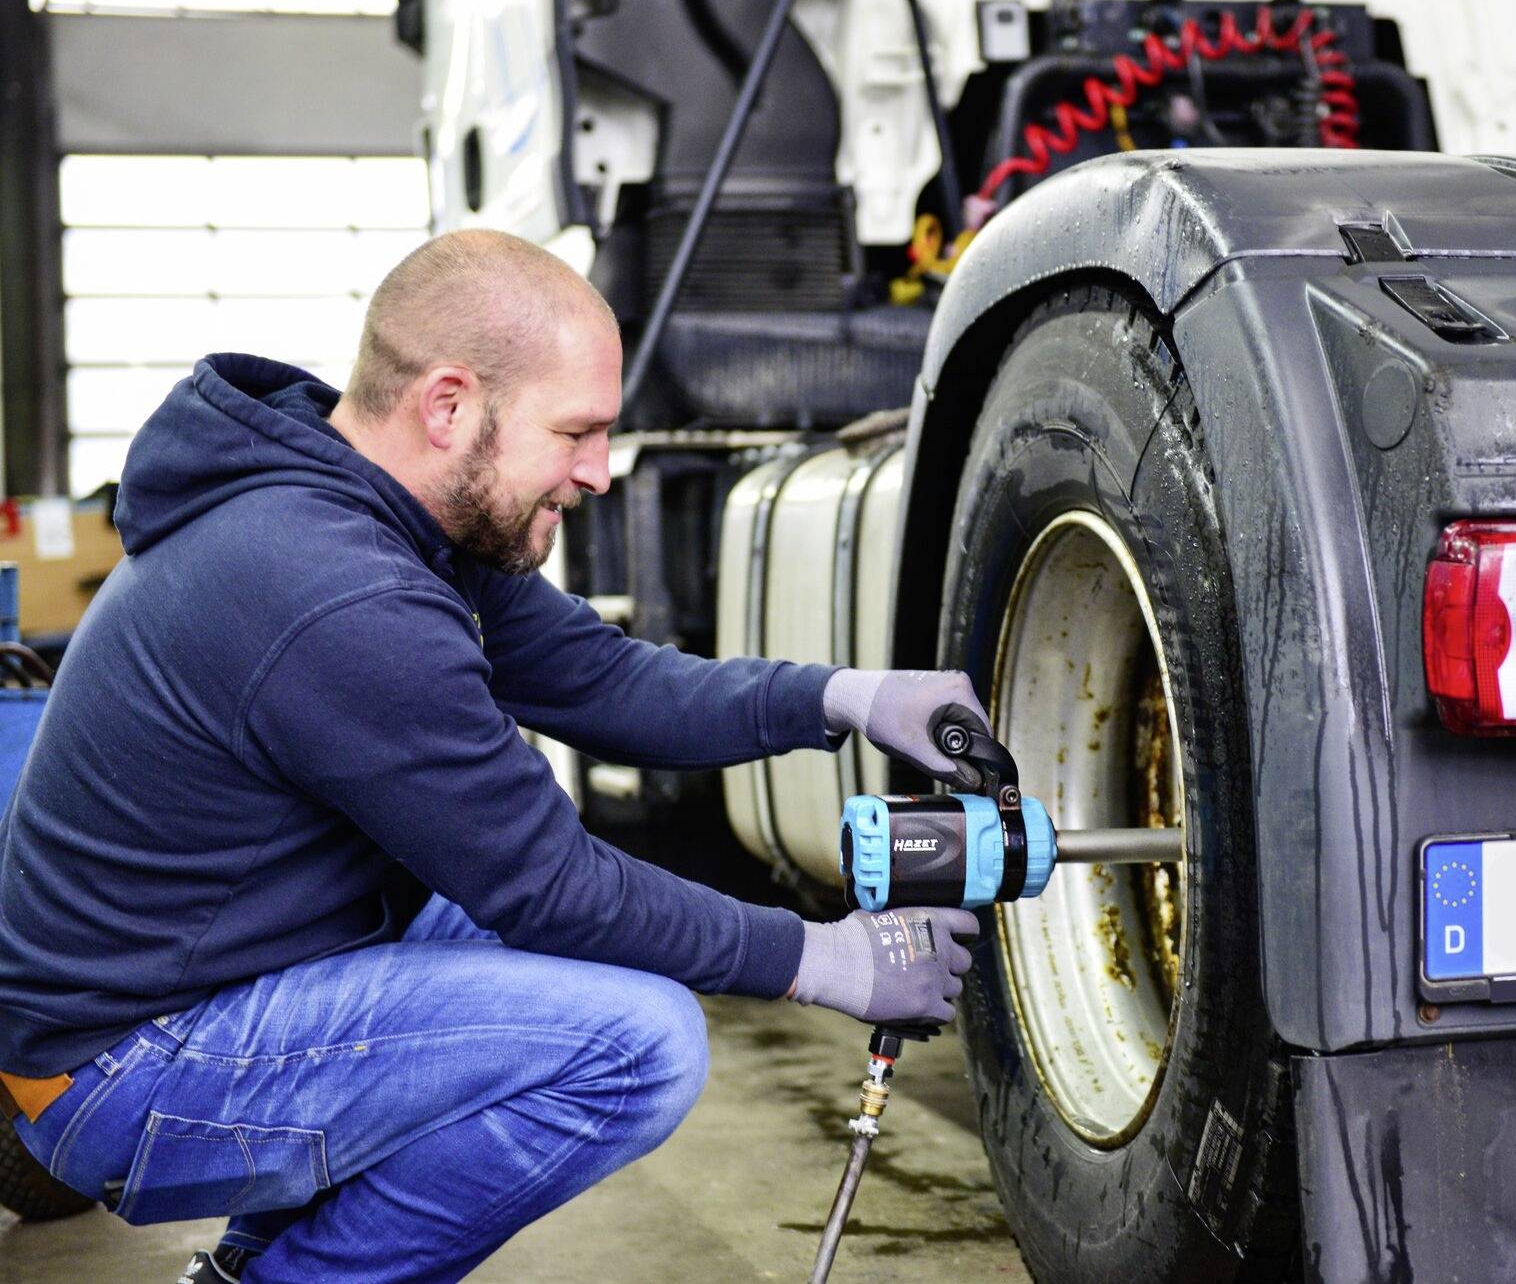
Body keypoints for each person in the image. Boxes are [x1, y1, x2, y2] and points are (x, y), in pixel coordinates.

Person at [0, 230, 986, 1283]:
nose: (600, 473)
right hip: (122, 1067)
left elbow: (603, 682)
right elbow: (552, 887)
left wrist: (844, 697)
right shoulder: (336, 591)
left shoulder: (390, 521)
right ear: (449, 406)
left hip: (221, 968)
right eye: (578, 432)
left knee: (545, 941)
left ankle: (256, 1262)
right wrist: (826, 960)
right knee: (636, 1042)